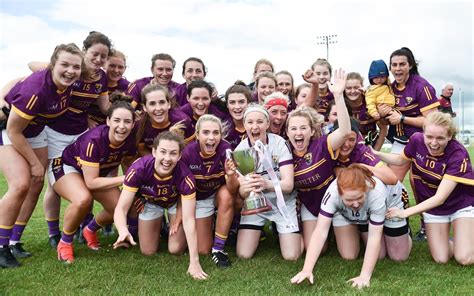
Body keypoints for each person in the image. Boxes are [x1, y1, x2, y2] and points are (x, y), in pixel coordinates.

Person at [0, 43, 83, 268]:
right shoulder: (36, 90)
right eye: (64, 65)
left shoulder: (69, 80)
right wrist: (35, 163)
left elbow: (25, 71)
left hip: (36, 131)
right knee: (20, 185)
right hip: (10, 132)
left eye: (76, 66)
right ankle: (1, 246)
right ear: (54, 64)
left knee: (36, 185)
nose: (70, 70)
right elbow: (15, 130)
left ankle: (15, 241)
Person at [374, 112, 474, 265]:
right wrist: (374, 153)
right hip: (433, 206)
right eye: (429, 137)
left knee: (464, 258)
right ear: (423, 133)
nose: (434, 143)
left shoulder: (458, 154)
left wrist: (404, 212)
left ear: (450, 136)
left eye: (440, 138)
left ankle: (466, 242)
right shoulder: (416, 140)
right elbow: (400, 160)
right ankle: (463, 242)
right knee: (441, 258)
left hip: (460, 205)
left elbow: (440, 197)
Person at [291, 164, 412, 289]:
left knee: (399, 256)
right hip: (367, 210)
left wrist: (364, 276)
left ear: (365, 190)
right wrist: (307, 269)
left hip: (393, 202)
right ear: (340, 194)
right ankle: (375, 223)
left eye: (359, 198)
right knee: (380, 255)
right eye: (349, 200)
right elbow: (320, 231)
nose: (354, 204)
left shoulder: (376, 192)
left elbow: (374, 237)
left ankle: (405, 231)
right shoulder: (332, 193)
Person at [50, 95, 137, 264]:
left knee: (120, 206)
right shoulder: (94, 140)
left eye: (127, 122)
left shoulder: (129, 139)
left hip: (94, 173)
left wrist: (132, 186)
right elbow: (91, 183)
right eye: (117, 120)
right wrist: (125, 179)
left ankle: (90, 229)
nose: (122, 126)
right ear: (108, 121)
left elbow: (129, 165)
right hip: (66, 167)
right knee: (83, 198)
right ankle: (65, 241)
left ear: (133, 124)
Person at [113, 131, 208, 280]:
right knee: (147, 251)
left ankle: (167, 225)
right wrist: (122, 229)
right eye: (163, 152)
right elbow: (121, 208)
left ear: (179, 156)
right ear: (154, 151)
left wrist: (194, 262)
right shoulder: (139, 168)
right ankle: (161, 224)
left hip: (174, 204)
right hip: (151, 202)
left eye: (173, 153)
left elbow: (189, 220)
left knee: (175, 249)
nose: (167, 158)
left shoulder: (185, 175)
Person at [286, 68, 351, 249]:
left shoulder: (322, 144)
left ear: (312, 130)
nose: (298, 132)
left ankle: (336, 227)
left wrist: (338, 95)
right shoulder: (285, 151)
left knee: (349, 254)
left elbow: (345, 131)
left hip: (335, 202)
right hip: (311, 205)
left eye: (303, 128)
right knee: (317, 250)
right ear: (287, 132)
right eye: (293, 129)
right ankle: (325, 231)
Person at [382, 47, 440, 240]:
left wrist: (403, 119)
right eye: (394, 65)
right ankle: (390, 222)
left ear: (411, 65)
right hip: (401, 142)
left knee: (419, 184)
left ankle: (427, 225)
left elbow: (432, 121)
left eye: (402, 64)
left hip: (424, 143)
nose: (397, 69)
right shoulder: (389, 87)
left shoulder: (422, 86)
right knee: (390, 181)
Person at [234, 103, 301, 261]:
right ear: (244, 125)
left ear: (267, 124)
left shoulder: (280, 143)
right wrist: (248, 187)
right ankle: (275, 230)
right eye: (250, 122)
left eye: (259, 122)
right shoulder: (240, 150)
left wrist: (266, 184)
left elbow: (289, 185)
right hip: (255, 205)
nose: (255, 126)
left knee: (292, 256)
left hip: (282, 202)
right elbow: (242, 193)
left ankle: (291, 231)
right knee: (243, 254)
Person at [181, 114, 239, 267]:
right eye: (206, 132)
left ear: (221, 134)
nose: (211, 138)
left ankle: (219, 249)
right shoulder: (188, 153)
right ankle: (210, 223)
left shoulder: (226, 148)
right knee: (201, 250)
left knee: (227, 196)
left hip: (216, 193)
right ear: (197, 134)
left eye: (216, 133)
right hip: (196, 198)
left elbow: (233, 189)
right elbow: (182, 187)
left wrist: (231, 174)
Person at [136, 83, 194, 156]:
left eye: (162, 102)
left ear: (168, 104)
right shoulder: (139, 124)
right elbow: (142, 149)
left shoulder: (182, 121)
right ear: (144, 107)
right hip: (153, 159)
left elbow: (191, 150)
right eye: (152, 104)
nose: (158, 108)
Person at [343, 72, 387, 151]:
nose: (352, 91)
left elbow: (383, 129)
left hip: (370, 144)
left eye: (356, 87)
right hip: (347, 147)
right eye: (349, 88)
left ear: (362, 87)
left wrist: (375, 152)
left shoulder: (371, 101)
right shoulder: (340, 102)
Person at [88, 49, 130, 126]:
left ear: (125, 68)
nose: (116, 70)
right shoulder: (93, 81)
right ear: (104, 65)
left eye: (120, 67)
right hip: (90, 126)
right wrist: (86, 120)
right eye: (112, 66)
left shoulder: (128, 87)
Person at [224, 82, 250, 149]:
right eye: (232, 102)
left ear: (248, 103)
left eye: (241, 102)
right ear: (227, 105)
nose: (237, 107)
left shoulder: (257, 126)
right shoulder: (223, 130)